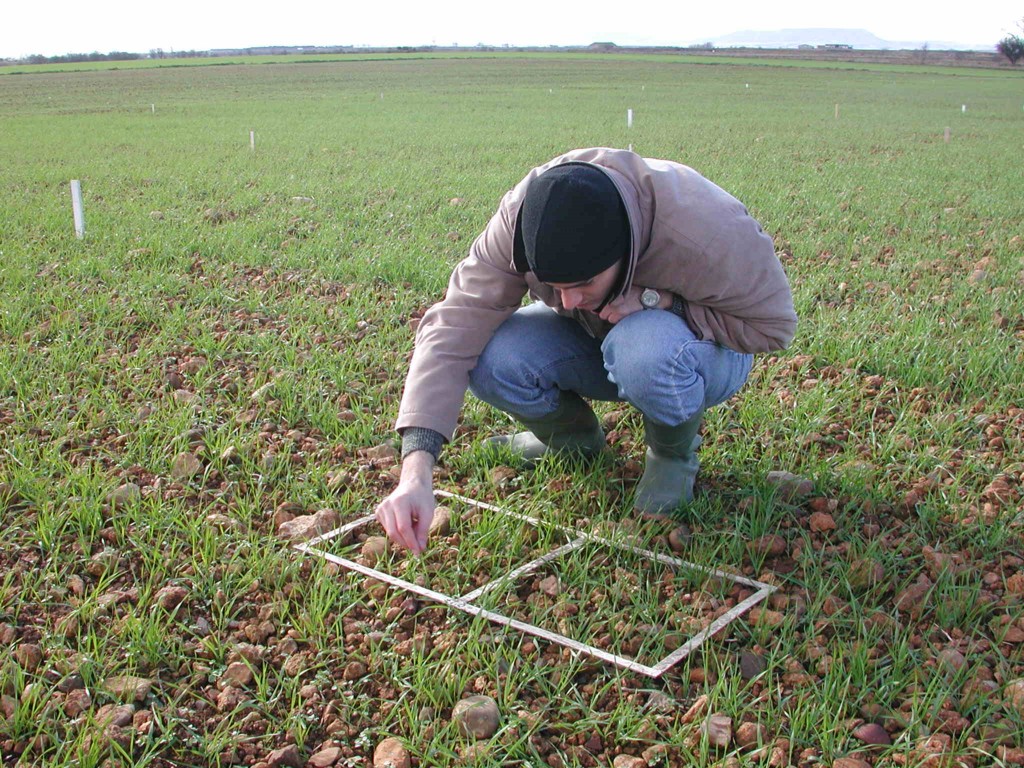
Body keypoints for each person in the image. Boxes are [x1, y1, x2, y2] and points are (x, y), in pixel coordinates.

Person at [375, 147, 796, 554]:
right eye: (555, 288)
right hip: (601, 340)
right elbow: (453, 327)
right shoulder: (523, 221)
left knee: (643, 348)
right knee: (491, 353)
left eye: (582, 285)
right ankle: (573, 441)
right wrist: (416, 471)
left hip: (699, 354)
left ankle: (672, 455)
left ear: (623, 254)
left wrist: (664, 302)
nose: (568, 301)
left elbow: (773, 328)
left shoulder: (704, 228)